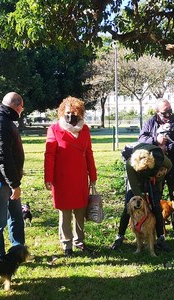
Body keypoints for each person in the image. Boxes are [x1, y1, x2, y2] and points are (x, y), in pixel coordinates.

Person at [44, 96, 97, 257]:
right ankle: (67, 245)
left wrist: (93, 175)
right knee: (65, 213)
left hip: (80, 177)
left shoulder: (85, 129)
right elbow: (49, 155)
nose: (71, 115)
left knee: (80, 212)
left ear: (80, 113)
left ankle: (79, 241)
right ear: (62, 112)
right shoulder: (54, 129)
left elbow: (89, 153)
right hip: (62, 178)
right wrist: (48, 177)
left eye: (75, 112)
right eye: (68, 112)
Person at [138, 98, 174, 235]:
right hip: (157, 166)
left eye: (170, 111)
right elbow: (142, 138)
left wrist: (166, 148)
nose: (169, 115)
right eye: (165, 112)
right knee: (156, 197)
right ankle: (158, 227)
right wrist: (156, 140)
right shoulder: (150, 122)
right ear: (157, 112)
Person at [0, 92, 26, 259]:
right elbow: (3, 157)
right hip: (1, 182)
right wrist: (14, 184)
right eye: (22, 109)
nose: (21, 112)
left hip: (8, 180)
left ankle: (18, 251)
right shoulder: (0, 122)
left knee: (16, 216)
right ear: (17, 107)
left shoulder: (5, 119)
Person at [111, 143, 172, 252]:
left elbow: (170, 165)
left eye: (146, 169)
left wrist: (159, 175)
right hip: (137, 182)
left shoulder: (159, 158)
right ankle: (119, 236)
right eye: (142, 169)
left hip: (154, 180)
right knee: (128, 208)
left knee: (156, 208)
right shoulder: (130, 164)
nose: (144, 171)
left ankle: (161, 238)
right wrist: (142, 201)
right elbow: (134, 186)